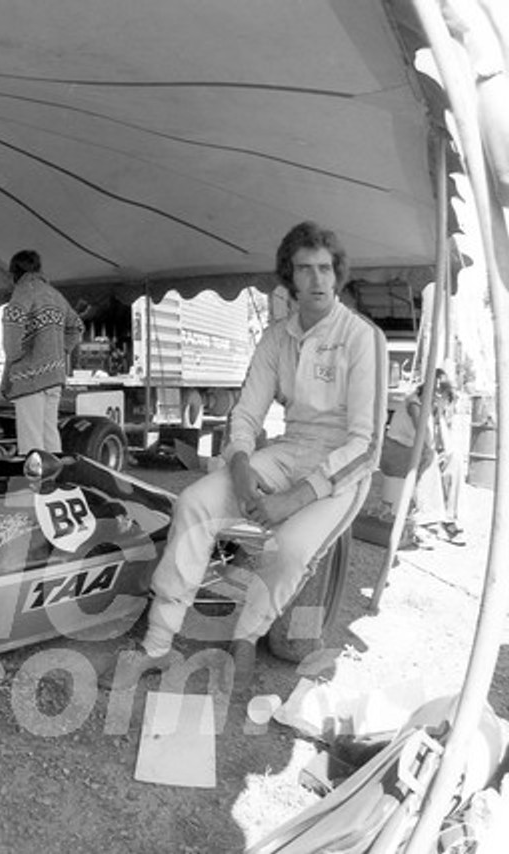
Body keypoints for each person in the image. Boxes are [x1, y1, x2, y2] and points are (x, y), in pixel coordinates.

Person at [99, 221, 387, 692]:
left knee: (288, 549)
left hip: (341, 470)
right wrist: (239, 466)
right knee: (194, 502)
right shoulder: (276, 337)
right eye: (303, 269)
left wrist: (292, 500)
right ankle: (157, 644)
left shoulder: (361, 337)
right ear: (288, 277)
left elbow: (366, 444)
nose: (316, 280)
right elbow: (246, 416)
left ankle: (247, 636)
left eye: (325, 269)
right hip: (290, 448)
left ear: (337, 274)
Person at [0, 249, 82, 454]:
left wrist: (14, 356)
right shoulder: (55, 295)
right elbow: (77, 326)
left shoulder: (23, 292)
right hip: (54, 376)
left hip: (30, 377)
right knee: (49, 434)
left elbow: (13, 324)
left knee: (31, 440)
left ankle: (35, 484)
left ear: (14, 273)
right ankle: (54, 482)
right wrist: (61, 350)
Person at [379, 370, 464, 547]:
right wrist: (434, 412)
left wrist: (439, 415)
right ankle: (424, 521)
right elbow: (424, 436)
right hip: (398, 451)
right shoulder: (414, 403)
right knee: (428, 456)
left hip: (417, 450)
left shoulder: (434, 408)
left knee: (454, 458)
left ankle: (448, 519)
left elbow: (447, 447)